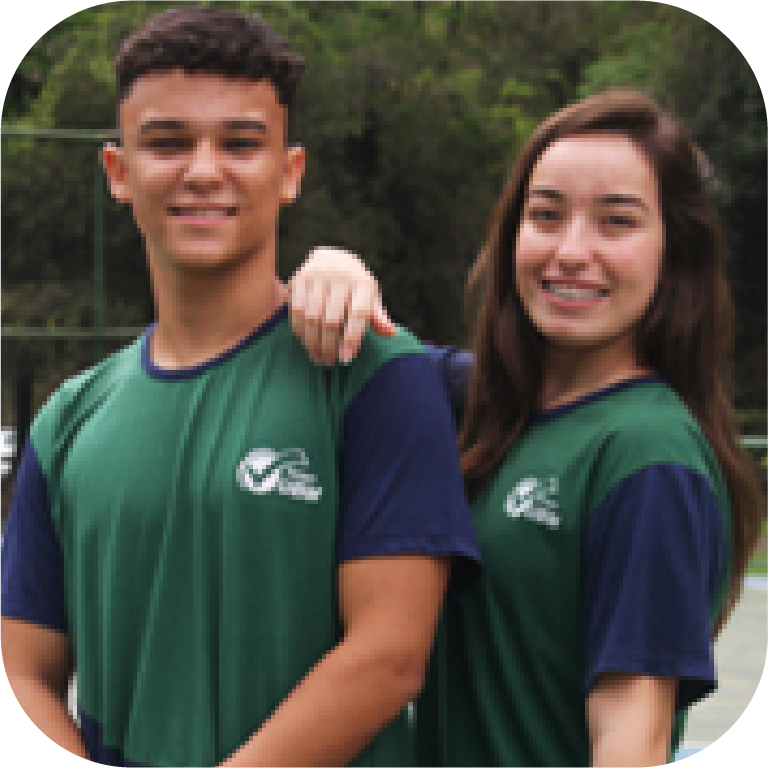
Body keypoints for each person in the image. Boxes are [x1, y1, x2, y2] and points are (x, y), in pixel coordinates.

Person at [0, 7, 480, 768]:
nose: (202, 169)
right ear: (118, 173)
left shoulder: (378, 375)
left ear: (288, 173)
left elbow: (389, 656)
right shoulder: (69, 420)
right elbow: (22, 669)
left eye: (239, 143)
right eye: (166, 143)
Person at [288, 89, 765, 767]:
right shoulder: (480, 404)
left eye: (616, 222)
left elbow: (630, 737)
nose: (571, 251)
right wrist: (333, 265)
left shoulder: (648, 456)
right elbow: (366, 354)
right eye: (546, 215)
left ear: (676, 253)